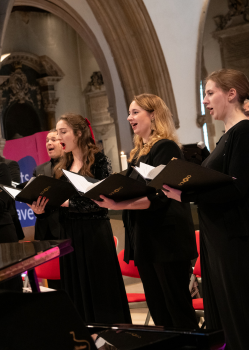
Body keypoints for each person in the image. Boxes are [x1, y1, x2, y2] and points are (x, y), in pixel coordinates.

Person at [93, 94, 198, 329]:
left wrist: (118, 204)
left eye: (135, 112)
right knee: (159, 309)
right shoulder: (139, 152)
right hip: (146, 238)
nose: (130, 117)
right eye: (129, 113)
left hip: (166, 240)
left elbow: (158, 197)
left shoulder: (165, 147)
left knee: (177, 308)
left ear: (153, 115)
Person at [163, 69, 249, 348]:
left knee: (240, 316)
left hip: (234, 238)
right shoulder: (225, 137)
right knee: (226, 316)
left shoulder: (244, 131)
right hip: (217, 238)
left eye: (210, 93)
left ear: (232, 94)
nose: (205, 101)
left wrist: (188, 195)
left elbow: (238, 188)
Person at [53, 113, 131, 324]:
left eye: (63, 132)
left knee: (99, 288)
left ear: (78, 133)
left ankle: (109, 336)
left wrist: (69, 203)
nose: (59, 137)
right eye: (57, 132)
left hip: (94, 232)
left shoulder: (99, 161)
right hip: (69, 233)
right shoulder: (62, 166)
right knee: (75, 287)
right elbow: (58, 202)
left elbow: (103, 201)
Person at [30, 129, 64, 241]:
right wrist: (37, 211)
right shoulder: (39, 169)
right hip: (45, 228)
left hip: (67, 227)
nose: (49, 143)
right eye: (47, 140)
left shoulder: (73, 167)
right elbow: (33, 196)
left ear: (63, 143)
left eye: (53, 140)